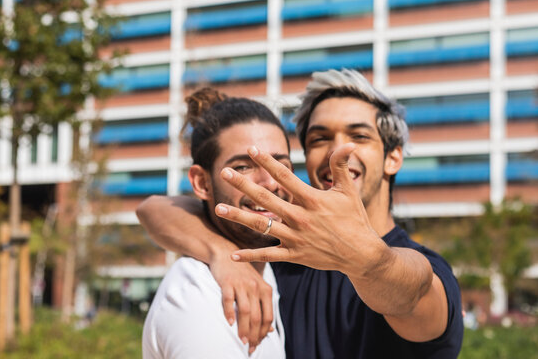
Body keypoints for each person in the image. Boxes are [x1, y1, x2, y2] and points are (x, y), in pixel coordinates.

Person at [137, 69, 464, 358]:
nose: (338, 151)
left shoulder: (425, 267)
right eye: (320, 138)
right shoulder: (281, 254)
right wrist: (220, 251)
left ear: (393, 158)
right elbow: (154, 209)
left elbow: (414, 291)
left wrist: (364, 259)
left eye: (359, 136)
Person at [141, 88, 291, 358]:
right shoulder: (197, 297)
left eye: (280, 166)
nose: (269, 183)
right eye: (243, 167)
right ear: (202, 183)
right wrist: (221, 253)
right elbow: (149, 208)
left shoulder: (270, 267)